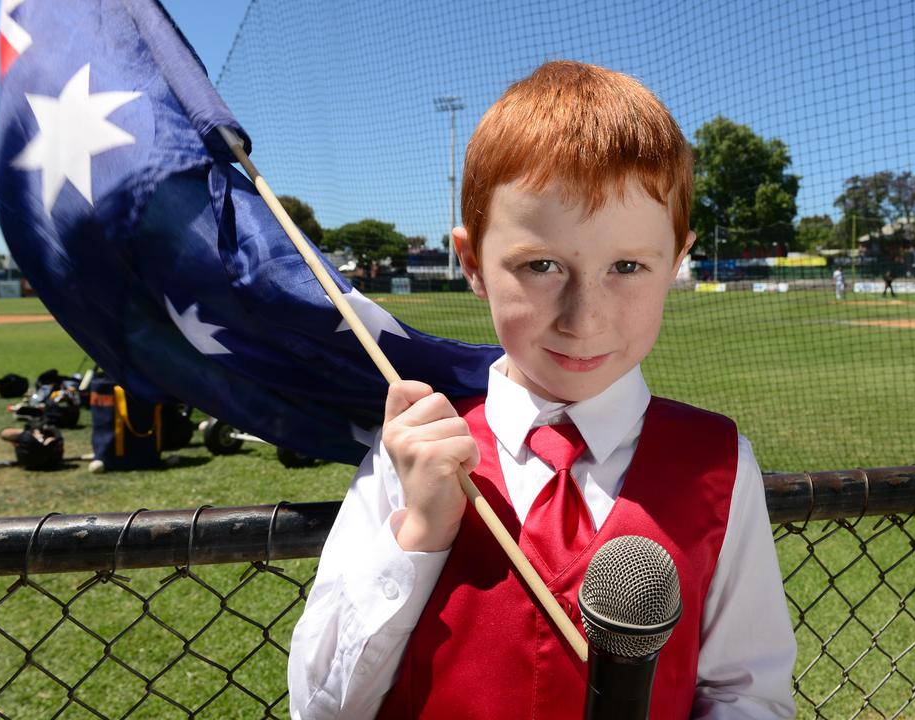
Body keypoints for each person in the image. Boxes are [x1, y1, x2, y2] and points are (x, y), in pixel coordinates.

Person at [288, 61, 796, 719]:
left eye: (627, 267)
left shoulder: (719, 465)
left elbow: (745, 694)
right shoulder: (414, 454)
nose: (583, 318)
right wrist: (416, 533)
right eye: (542, 265)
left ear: (676, 261)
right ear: (472, 263)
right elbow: (321, 707)